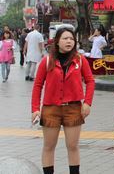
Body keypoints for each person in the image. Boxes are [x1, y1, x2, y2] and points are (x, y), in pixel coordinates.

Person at [31, 25, 94, 174]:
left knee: (72, 146)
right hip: (50, 109)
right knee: (49, 146)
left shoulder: (80, 60)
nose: (69, 41)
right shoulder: (47, 61)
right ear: (57, 41)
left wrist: (87, 103)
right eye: (65, 38)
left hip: (73, 108)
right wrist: (35, 109)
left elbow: (90, 81)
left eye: (71, 39)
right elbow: (38, 85)